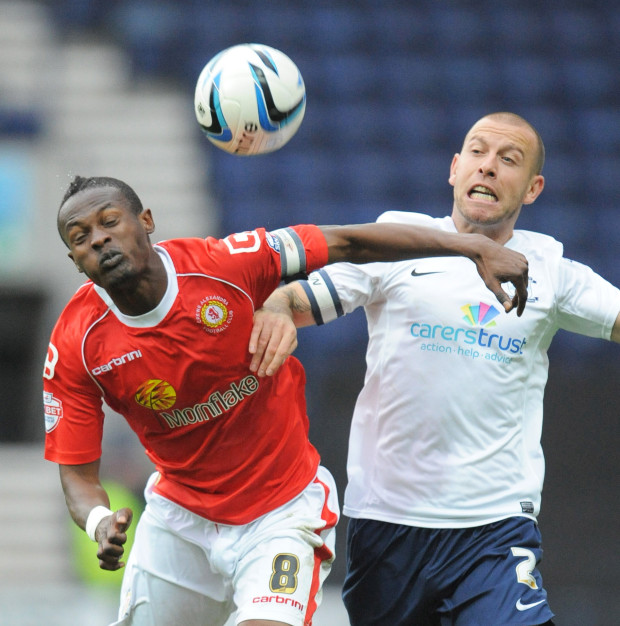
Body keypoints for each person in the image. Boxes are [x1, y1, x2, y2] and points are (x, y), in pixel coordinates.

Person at [42, 174, 530, 626]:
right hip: (180, 521)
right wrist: (100, 521)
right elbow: (77, 476)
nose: (99, 239)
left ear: (145, 222)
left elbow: (348, 242)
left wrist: (469, 246)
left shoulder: (224, 264)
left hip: (281, 510)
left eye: (109, 222)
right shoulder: (75, 344)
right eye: (81, 237)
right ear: (73, 259)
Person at [250, 112, 620, 626]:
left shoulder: (550, 270)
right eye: (477, 152)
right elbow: (295, 299)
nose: (488, 167)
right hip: (388, 525)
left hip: (494, 530)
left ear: (533, 188)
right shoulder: (396, 243)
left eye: (507, 159)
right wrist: (275, 308)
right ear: (454, 168)